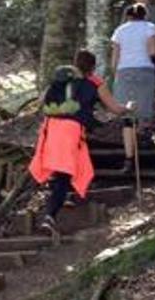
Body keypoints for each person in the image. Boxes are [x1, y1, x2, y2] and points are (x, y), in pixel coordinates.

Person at [28, 49, 130, 233]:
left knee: (57, 166)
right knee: (64, 172)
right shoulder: (95, 82)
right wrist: (128, 107)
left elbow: (43, 101)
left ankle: (64, 196)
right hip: (71, 129)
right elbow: (115, 109)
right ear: (92, 66)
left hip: (51, 126)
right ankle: (50, 215)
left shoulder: (62, 78)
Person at [111, 3, 155, 166]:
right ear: (144, 15)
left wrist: (115, 75)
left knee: (127, 116)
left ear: (128, 16)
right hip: (145, 70)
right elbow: (153, 52)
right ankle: (143, 144)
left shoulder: (120, 30)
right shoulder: (150, 27)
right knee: (144, 110)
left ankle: (129, 156)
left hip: (124, 71)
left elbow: (114, 58)